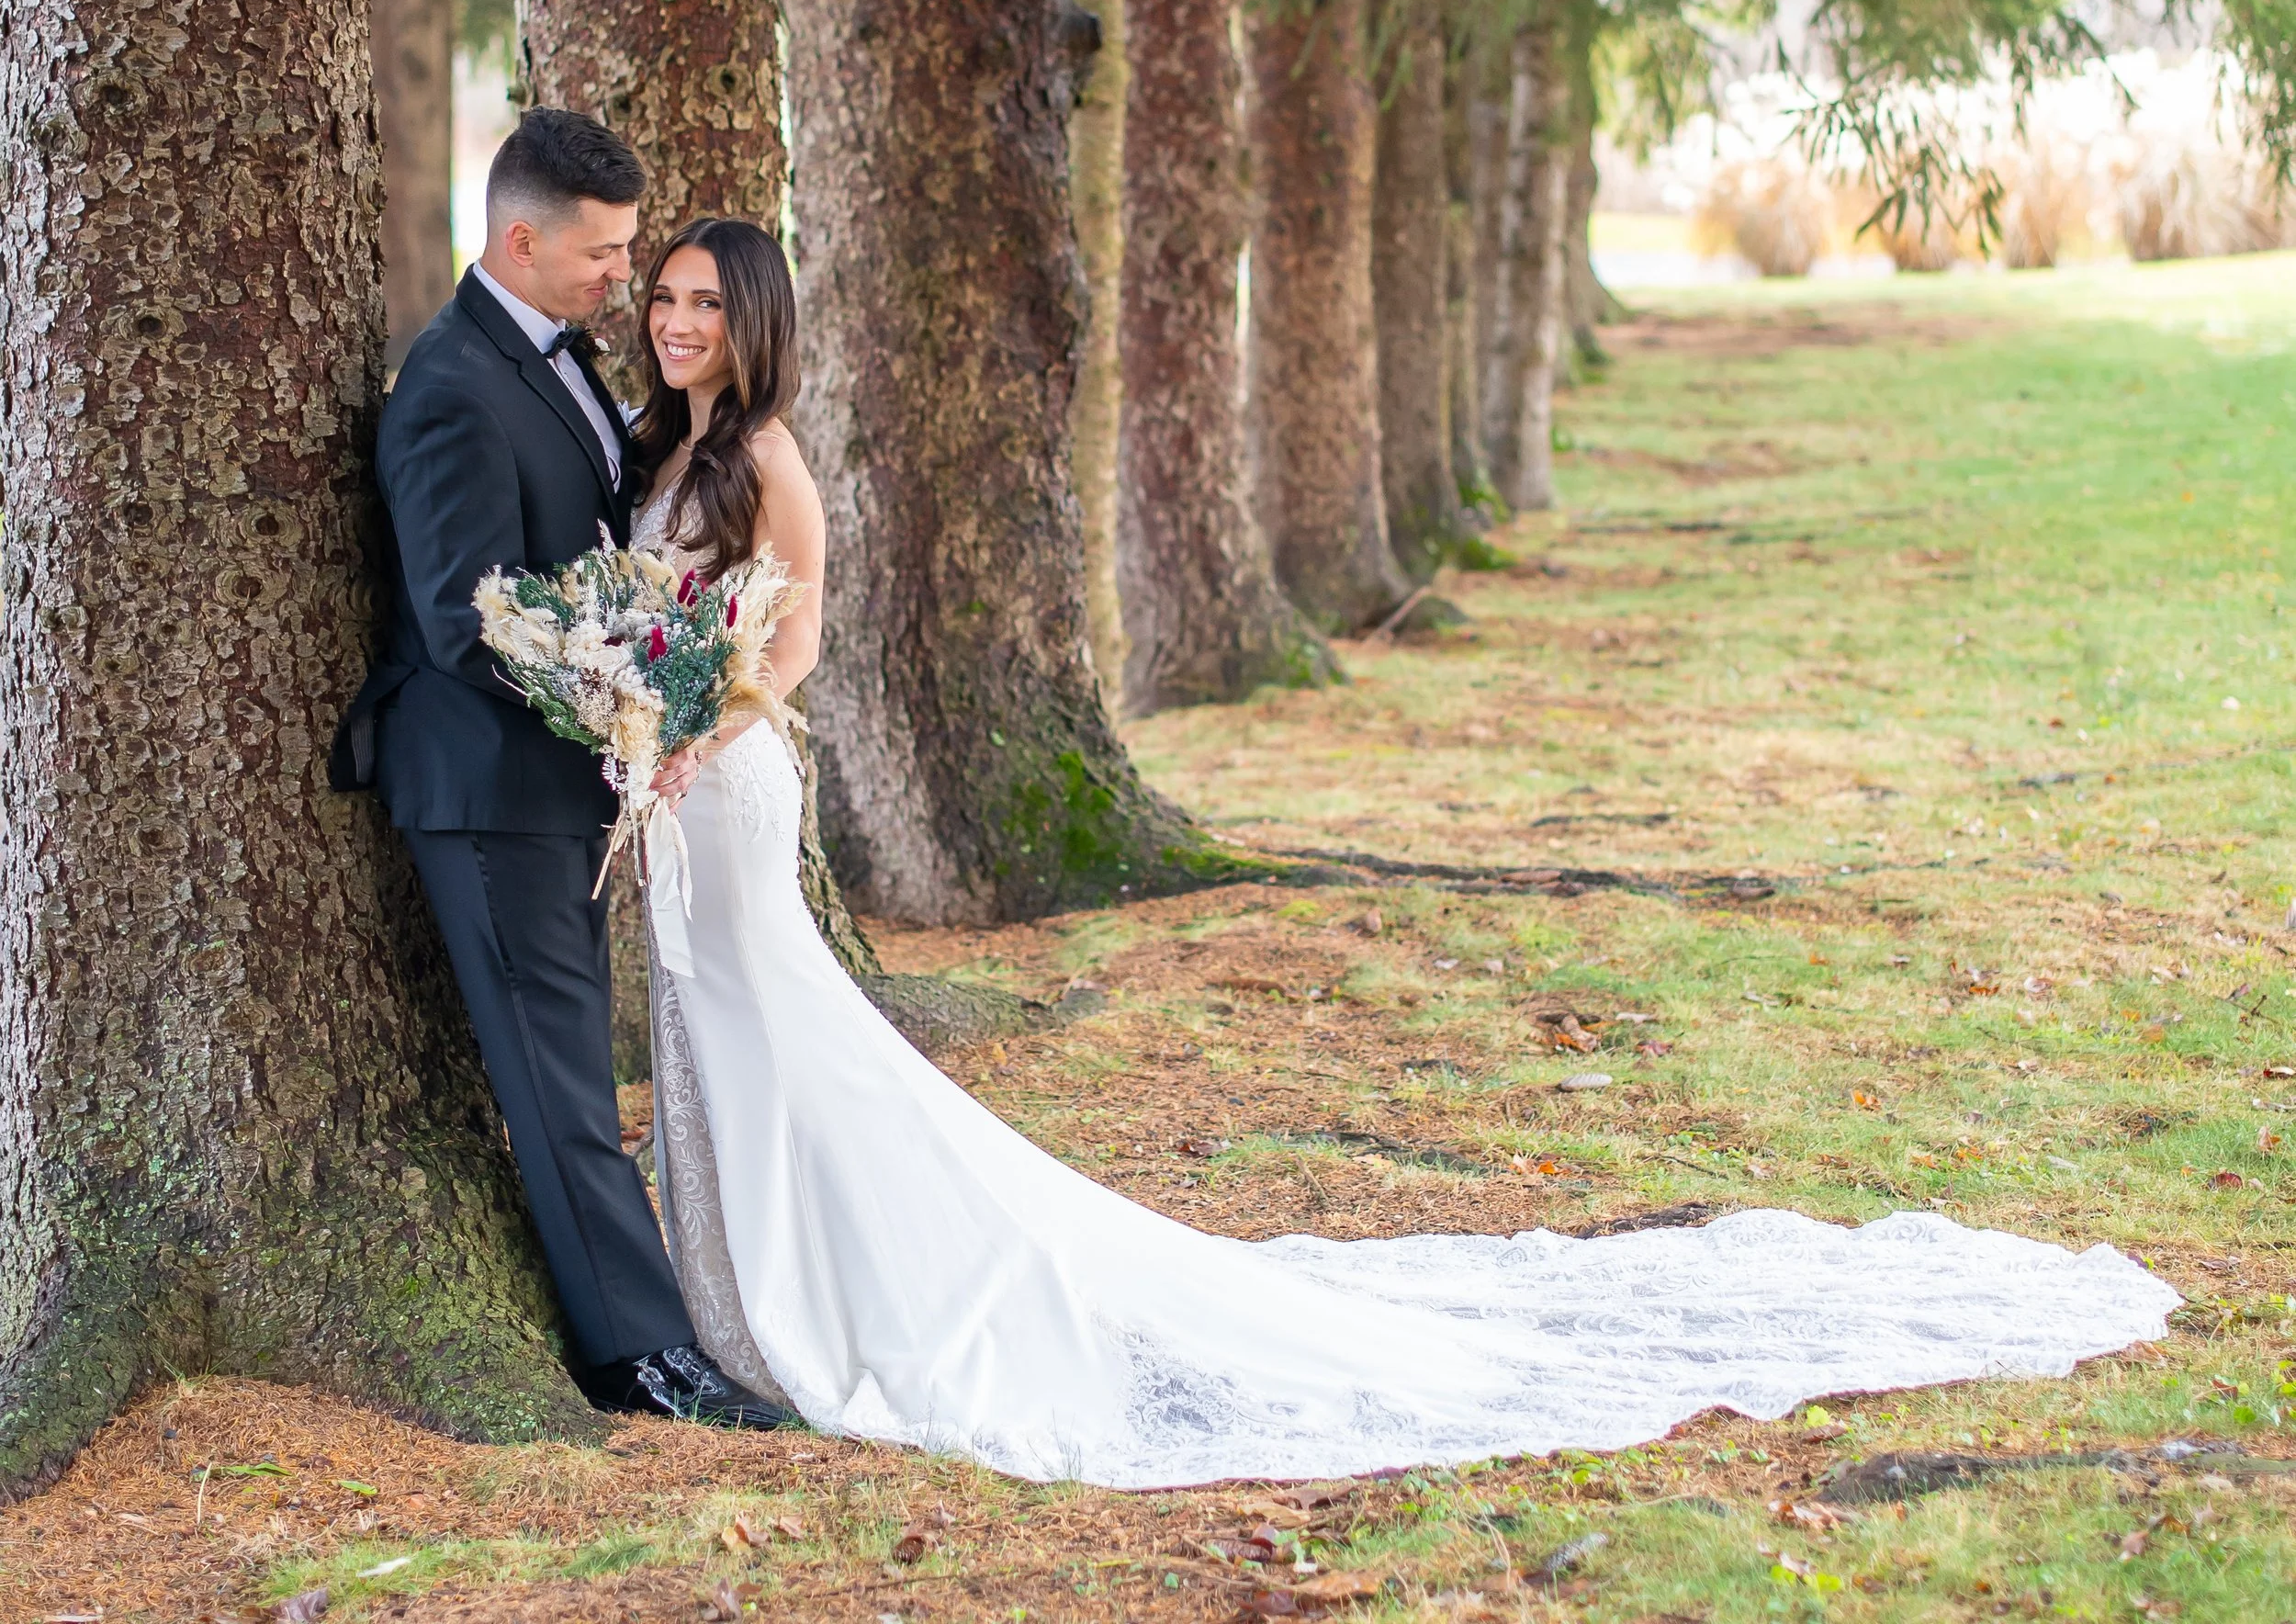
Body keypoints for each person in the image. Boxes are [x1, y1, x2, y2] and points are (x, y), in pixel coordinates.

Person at [629, 216, 2179, 1486]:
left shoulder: (769, 456)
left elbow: (806, 631)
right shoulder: (663, 449)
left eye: (704, 300)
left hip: (735, 781)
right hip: (669, 788)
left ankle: (818, 1299)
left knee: (792, 1037)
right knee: (717, 1030)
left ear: (754, 317)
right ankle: (736, 1287)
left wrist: (707, 710)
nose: (674, 318)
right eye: (665, 296)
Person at [331, 110, 789, 1431]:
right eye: (603, 254)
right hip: (486, 790)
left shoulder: (557, 357)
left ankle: (644, 1321)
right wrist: (623, 688)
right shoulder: (448, 385)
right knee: (559, 1081)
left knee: (577, 1060)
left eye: (631, 250)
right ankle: (636, 1356)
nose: (622, 281)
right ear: (520, 239)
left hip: (558, 783)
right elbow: (465, 614)